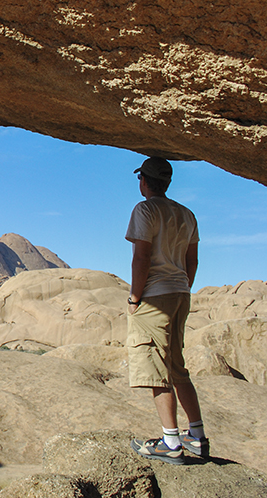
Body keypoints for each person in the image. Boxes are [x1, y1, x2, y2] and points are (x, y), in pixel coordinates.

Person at [125, 156, 209, 465]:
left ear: (144, 181)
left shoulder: (145, 209)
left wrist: (135, 297)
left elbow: (141, 258)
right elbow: (193, 260)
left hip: (155, 297)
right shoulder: (187, 214)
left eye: (140, 180)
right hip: (180, 293)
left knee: (156, 369)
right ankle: (197, 437)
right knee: (176, 366)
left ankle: (170, 442)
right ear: (168, 182)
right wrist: (183, 287)